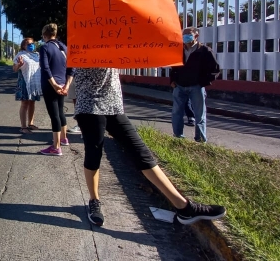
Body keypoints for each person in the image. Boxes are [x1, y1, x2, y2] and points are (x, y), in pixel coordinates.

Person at [73, 67, 226, 226]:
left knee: (141, 153)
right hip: (90, 105)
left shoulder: (115, 45)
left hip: (113, 105)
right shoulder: (85, 46)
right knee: (94, 154)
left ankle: (184, 207)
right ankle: (94, 200)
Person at [170, 27, 220, 142]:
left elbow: (215, 69)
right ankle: (178, 137)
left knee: (199, 115)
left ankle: (200, 139)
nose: (185, 37)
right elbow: (174, 67)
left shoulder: (205, 51)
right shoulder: (179, 50)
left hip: (196, 87)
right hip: (180, 86)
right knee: (176, 113)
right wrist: (172, 80)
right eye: (184, 34)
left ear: (196, 36)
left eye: (188, 34)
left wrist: (203, 82)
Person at [38, 24, 73, 156]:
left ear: (45, 35)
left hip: (50, 85)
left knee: (54, 115)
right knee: (60, 111)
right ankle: (64, 138)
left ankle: (56, 147)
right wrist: (66, 85)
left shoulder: (45, 47)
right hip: (63, 83)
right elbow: (71, 68)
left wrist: (53, 84)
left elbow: (45, 68)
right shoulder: (64, 47)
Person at [13, 38, 41, 134]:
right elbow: (15, 69)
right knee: (25, 104)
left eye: (32, 43)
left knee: (32, 103)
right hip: (24, 82)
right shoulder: (20, 55)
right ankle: (23, 126)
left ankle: (31, 123)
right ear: (24, 45)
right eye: (29, 44)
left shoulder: (36, 55)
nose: (31, 45)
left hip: (34, 83)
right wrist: (19, 64)